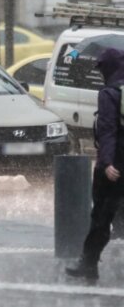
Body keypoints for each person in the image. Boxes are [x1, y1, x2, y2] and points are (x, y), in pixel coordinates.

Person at [66, 48, 124, 280]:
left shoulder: (110, 93)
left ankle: (88, 264)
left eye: (101, 68)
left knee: (101, 216)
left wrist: (107, 162)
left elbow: (108, 131)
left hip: (115, 166)